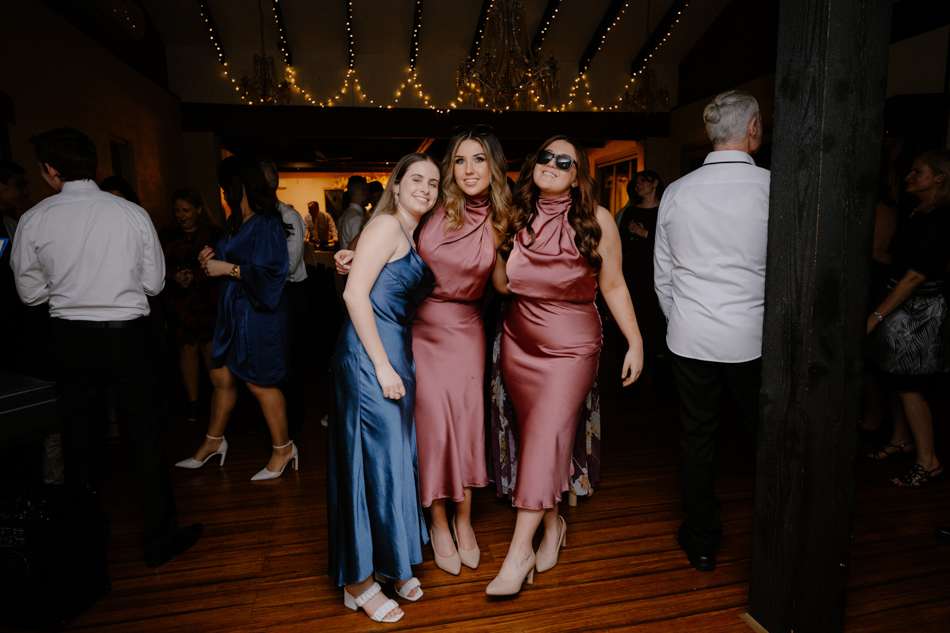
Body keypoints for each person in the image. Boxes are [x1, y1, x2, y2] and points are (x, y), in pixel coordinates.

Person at [11, 127, 202, 568]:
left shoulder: (34, 218)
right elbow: (154, 284)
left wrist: (69, 288)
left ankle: (85, 546)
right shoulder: (131, 213)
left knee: (80, 442)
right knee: (147, 440)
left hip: (69, 338)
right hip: (129, 337)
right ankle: (160, 541)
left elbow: (30, 294)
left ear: (51, 170)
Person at [489, 135, 644, 596]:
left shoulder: (596, 220)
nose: (552, 164)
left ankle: (519, 553)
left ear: (577, 177)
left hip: (572, 348)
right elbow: (503, 286)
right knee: (540, 437)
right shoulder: (514, 217)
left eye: (565, 161)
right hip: (518, 343)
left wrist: (636, 341)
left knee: (545, 435)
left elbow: (613, 285)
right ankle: (553, 525)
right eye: (546, 157)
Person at [654, 90, 769, 572]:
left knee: (696, 436)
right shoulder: (773, 189)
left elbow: (663, 275)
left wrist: (683, 319)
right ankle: (775, 535)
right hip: (755, 337)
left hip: (691, 335)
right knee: (767, 435)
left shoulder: (678, 191)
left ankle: (701, 540)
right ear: (753, 128)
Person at [327, 153, 438, 623]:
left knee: (392, 461)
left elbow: (374, 280)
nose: (426, 189)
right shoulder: (388, 225)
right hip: (369, 358)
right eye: (417, 179)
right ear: (395, 185)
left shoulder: (408, 233)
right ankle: (357, 580)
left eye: (433, 183)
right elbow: (354, 295)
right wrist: (382, 367)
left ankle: (389, 562)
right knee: (365, 464)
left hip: (394, 354)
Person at [175, 156, 296, 481]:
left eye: (225, 185)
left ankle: (283, 449)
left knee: (259, 382)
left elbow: (273, 275)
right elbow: (229, 263)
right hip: (232, 310)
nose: (223, 191)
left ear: (239, 184)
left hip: (259, 313)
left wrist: (226, 268)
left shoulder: (267, 223)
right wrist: (208, 260)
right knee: (220, 376)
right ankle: (213, 442)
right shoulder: (233, 223)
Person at [866, 149, 950, 488]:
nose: (908, 177)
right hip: (898, 303)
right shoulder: (916, 211)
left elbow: (915, 276)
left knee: (909, 385)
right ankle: (901, 440)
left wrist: (875, 315)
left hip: (919, 311)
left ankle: (929, 462)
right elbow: (902, 262)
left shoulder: (942, 217)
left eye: (918, 172)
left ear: (940, 178)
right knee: (892, 377)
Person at [158, 188, 220, 422]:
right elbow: (156, 265)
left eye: (186, 210)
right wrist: (174, 275)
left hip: (207, 299)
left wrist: (196, 276)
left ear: (199, 209)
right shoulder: (167, 234)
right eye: (177, 210)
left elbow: (223, 264)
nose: (181, 215)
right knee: (186, 349)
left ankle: (219, 398)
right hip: (180, 301)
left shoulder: (214, 234)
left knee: (210, 348)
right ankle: (193, 403)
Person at [258, 157, 308, 438]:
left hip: (290, 293)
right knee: (272, 357)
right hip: (267, 293)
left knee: (291, 358)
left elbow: (289, 265)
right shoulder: (255, 217)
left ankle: (294, 421)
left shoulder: (289, 217)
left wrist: (250, 268)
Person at [616, 170, 668, 390]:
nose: (638, 185)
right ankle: (630, 375)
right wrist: (631, 235)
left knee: (657, 321)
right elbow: (622, 246)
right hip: (634, 274)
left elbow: (674, 244)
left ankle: (660, 382)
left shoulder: (666, 210)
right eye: (635, 182)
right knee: (635, 317)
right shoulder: (630, 212)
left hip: (659, 274)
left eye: (642, 181)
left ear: (655, 183)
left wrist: (646, 234)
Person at [337, 175, 370, 249]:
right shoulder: (357, 218)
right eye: (368, 192)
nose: (369, 196)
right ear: (364, 192)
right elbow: (358, 248)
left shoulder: (343, 215)